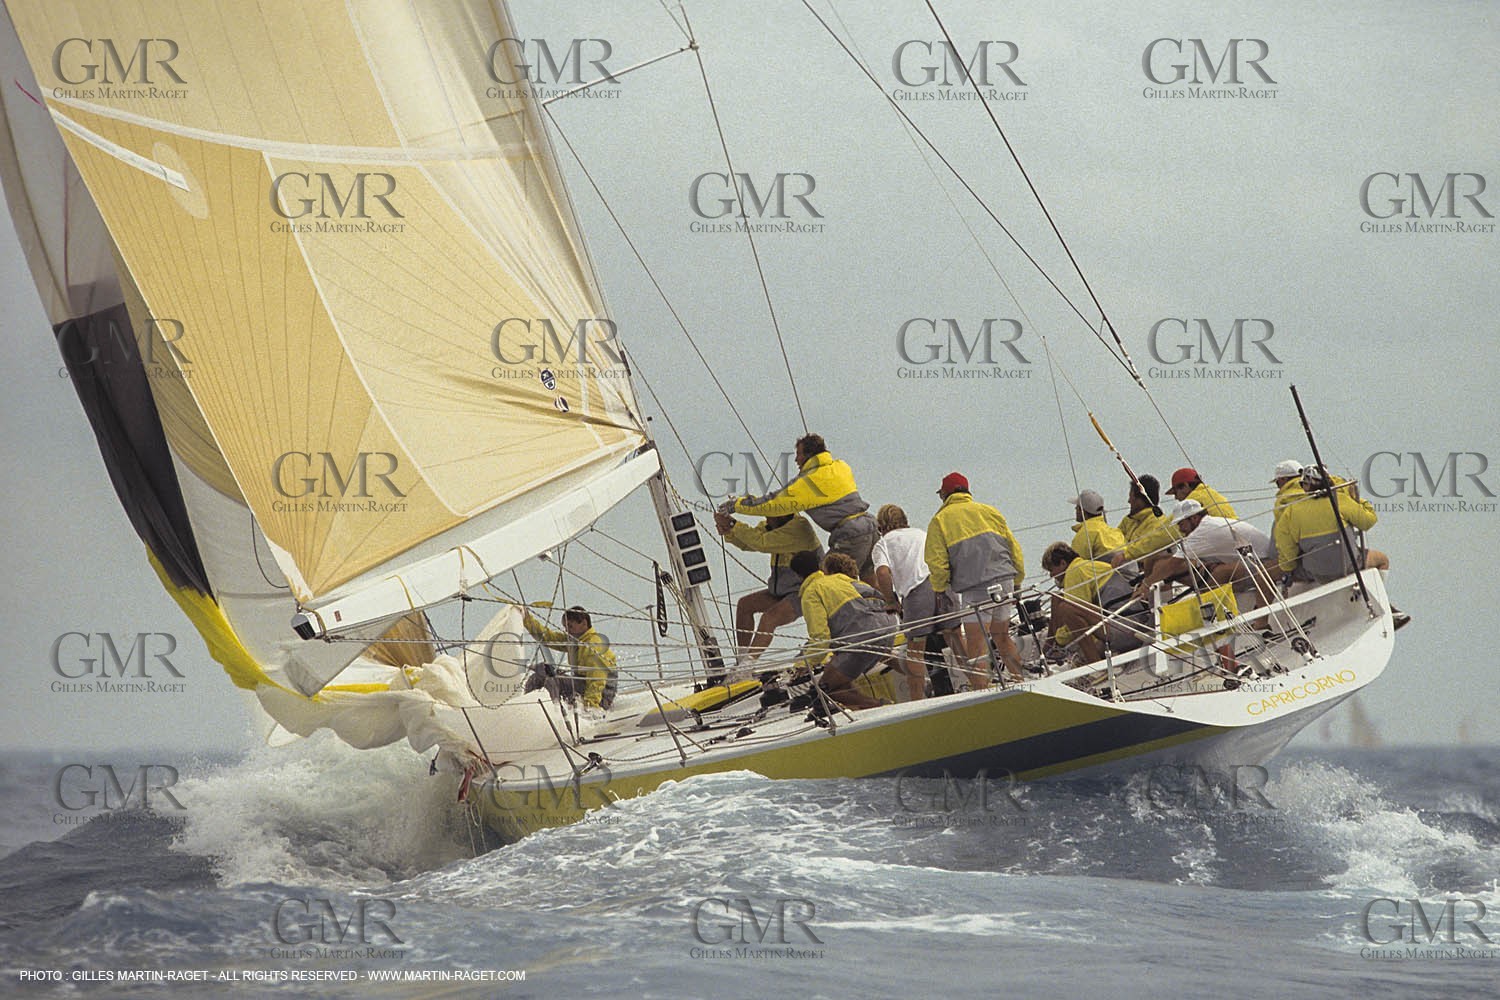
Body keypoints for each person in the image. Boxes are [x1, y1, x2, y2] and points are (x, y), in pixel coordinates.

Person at [733, 433, 879, 582]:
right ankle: (886, 597)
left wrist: (737, 506)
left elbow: (774, 503)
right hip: (870, 525)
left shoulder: (809, 480)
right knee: (869, 577)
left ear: (809, 455)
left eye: (799, 454)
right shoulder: (841, 466)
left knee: (826, 583)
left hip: (851, 533)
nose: (796, 459)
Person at [925, 472, 1024, 686]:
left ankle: (982, 692)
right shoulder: (990, 511)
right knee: (1002, 636)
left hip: (975, 587)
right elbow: (1014, 548)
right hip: (1005, 578)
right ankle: (1021, 682)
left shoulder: (940, 520)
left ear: (945, 494)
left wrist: (940, 589)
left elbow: (937, 562)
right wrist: (1018, 579)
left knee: (976, 644)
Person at [793, 551, 899, 710]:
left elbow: (821, 637)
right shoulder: (839, 578)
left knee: (825, 689)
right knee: (840, 676)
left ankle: (882, 707)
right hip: (889, 625)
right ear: (819, 566)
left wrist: (803, 664)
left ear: (796, 576)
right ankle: (923, 679)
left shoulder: (811, 592)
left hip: (862, 636)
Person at [715, 509, 822, 665]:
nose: (767, 519)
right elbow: (748, 543)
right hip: (783, 590)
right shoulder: (773, 525)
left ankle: (746, 666)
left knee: (769, 618)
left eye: (769, 515)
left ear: (782, 513)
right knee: (745, 605)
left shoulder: (799, 527)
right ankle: (742, 660)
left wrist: (732, 524)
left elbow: (762, 543)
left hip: (805, 590)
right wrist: (730, 532)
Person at [1134, 499, 1276, 608]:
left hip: (1262, 564)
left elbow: (1172, 565)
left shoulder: (1202, 531)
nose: (1180, 530)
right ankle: (1159, 610)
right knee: (1160, 562)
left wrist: (1145, 584)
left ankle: (1210, 614)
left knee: (1218, 573)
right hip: (1252, 562)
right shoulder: (1208, 524)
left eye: (1181, 524)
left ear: (1194, 518)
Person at [1274, 466, 1388, 583]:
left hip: (1316, 573)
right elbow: (1369, 521)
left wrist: (1288, 568)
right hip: (1349, 567)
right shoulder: (1340, 500)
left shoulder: (1291, 512)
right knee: (1383, 560)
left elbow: (1285, 548)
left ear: (1304, 486)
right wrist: (1355, 499)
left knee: (1289, 572)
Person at [871, 504, 935, 701]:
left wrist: (891, 601)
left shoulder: (882, 544)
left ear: (880, 526)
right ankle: (979, 684)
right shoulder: (921, 534)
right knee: (954, 636)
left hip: (917, 593)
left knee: (915, 651)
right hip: (940, 587)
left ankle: (917, 700)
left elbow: (882, 573)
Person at [1041, 542, 1140, 664]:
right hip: (1132, 624)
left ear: (1062, 563)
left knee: (1067, 608)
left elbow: (1074, 612)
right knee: (1058, 599)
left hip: (1126, 629)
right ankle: (1050, 648)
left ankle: (1096, 665)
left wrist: (1060, 639)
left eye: (1051, 570)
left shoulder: (1075, 571)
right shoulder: (1088, 566)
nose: (1051, 575)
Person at [521, 605, 618, 711]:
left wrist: (590, 707)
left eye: (570, 626)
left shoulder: (594, 644)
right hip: (583, 686)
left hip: (601, 697)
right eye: (565, 627)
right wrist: (526, 618)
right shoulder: (574, 640)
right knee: (540, 675)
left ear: (584, 623)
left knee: (553, 680)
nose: (567, 630)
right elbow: (548, 637)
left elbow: (596, 680)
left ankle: (556, 712)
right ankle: (526, 710)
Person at [1111, 475, 1174, 571]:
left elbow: (1146, 552)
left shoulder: (1158, 523)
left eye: (1131, 497)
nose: (1128, 501)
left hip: (1138, 571)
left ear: (1140, 500)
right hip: (1120, 565)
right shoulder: (1128, 520)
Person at [1069, 489, 1126, 562]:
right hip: (1129, 568)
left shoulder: (1085, 533)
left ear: (1082, 511)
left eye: (1077, 507)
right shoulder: (1116, 532)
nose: (1075, 508)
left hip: (1106, 569)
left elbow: (1074, 563)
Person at [1167, 467, 1237, 518]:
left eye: (1175, 493)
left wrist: (1160, 517)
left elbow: (1168, 528)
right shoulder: (1212, 493)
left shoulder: (1192, 500)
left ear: (1185, 486)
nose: (1175, 498)